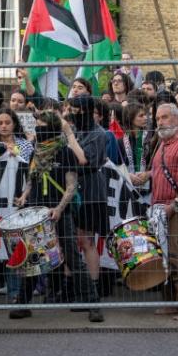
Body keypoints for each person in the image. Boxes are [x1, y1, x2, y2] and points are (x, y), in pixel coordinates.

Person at [131, 103, 178, 320]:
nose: (160, 122)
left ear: (177, 119)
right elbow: (162, 170)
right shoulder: (163, 143)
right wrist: (147, 175)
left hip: (177, 210)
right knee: (165, 256)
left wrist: (176, 205)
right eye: (158, 118)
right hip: (158, 208)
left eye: (164, 117)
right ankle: (173, 301)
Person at [10, 110, 86, 319]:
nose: (38, 129)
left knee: (71, 256)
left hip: (60, 212)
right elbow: (32, 179)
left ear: (52, 128)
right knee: (32, 257)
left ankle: (89, 300)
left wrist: (59, 209)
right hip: (37, 212)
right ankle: (23, 304)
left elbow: (71, 187)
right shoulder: (36, 151)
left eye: (42, 126)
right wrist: (25, 195)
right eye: (37, 126)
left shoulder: (65, 152)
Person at [64, 95, 108, 322]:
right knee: (71, 240)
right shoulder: (74, 130)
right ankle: (73, 290)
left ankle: (92, 291)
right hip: (72, 188)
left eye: (77, 110)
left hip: (90, 188)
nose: (73, 113)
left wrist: (70, 137)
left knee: (87, 240)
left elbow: (85, 160)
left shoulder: (98, 134)